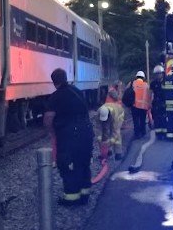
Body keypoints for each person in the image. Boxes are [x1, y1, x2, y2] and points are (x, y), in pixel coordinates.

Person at [43, 68, 94, 206]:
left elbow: (48, 118)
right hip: (86, 130)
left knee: (67, 164)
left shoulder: (56, 96)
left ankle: (71, 198)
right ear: (66, 78)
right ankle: (85, 194)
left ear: (54, 82)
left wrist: (52, 132)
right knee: (83, 162)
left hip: (70, 134)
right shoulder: (77, 92)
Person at [98, 86, 126, 160]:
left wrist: (110, 142)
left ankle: (118, 153)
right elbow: (100, 128)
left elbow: (115, 132)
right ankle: (108, 152)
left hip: (119, 115)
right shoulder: (100, 111)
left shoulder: (115, 113)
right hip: (109, 111)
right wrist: (103, 141)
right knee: (104, 133)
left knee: (116, 133)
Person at [128, 70, 152, 140]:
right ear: (143, 77)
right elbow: (149, 95)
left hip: (134, 106)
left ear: (136, 77)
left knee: (135, 121)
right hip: (144, 106)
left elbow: (127, 92)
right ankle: (143, 132)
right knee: (142, 120)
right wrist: (149, 104)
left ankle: (137, 134)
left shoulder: (132, 83)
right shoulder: (146, 85)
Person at [150, 64, 168, 139]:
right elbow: (150, 93)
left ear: (162, 74)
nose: (158, 76)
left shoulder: (166, 82)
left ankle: (164, 133)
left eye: (159, 74)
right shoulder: (153, 83)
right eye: (156, 74)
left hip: (164, 103)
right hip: (156, 103)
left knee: (164, 118)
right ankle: (158, 134)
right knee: (157, 118)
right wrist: (150, 103)